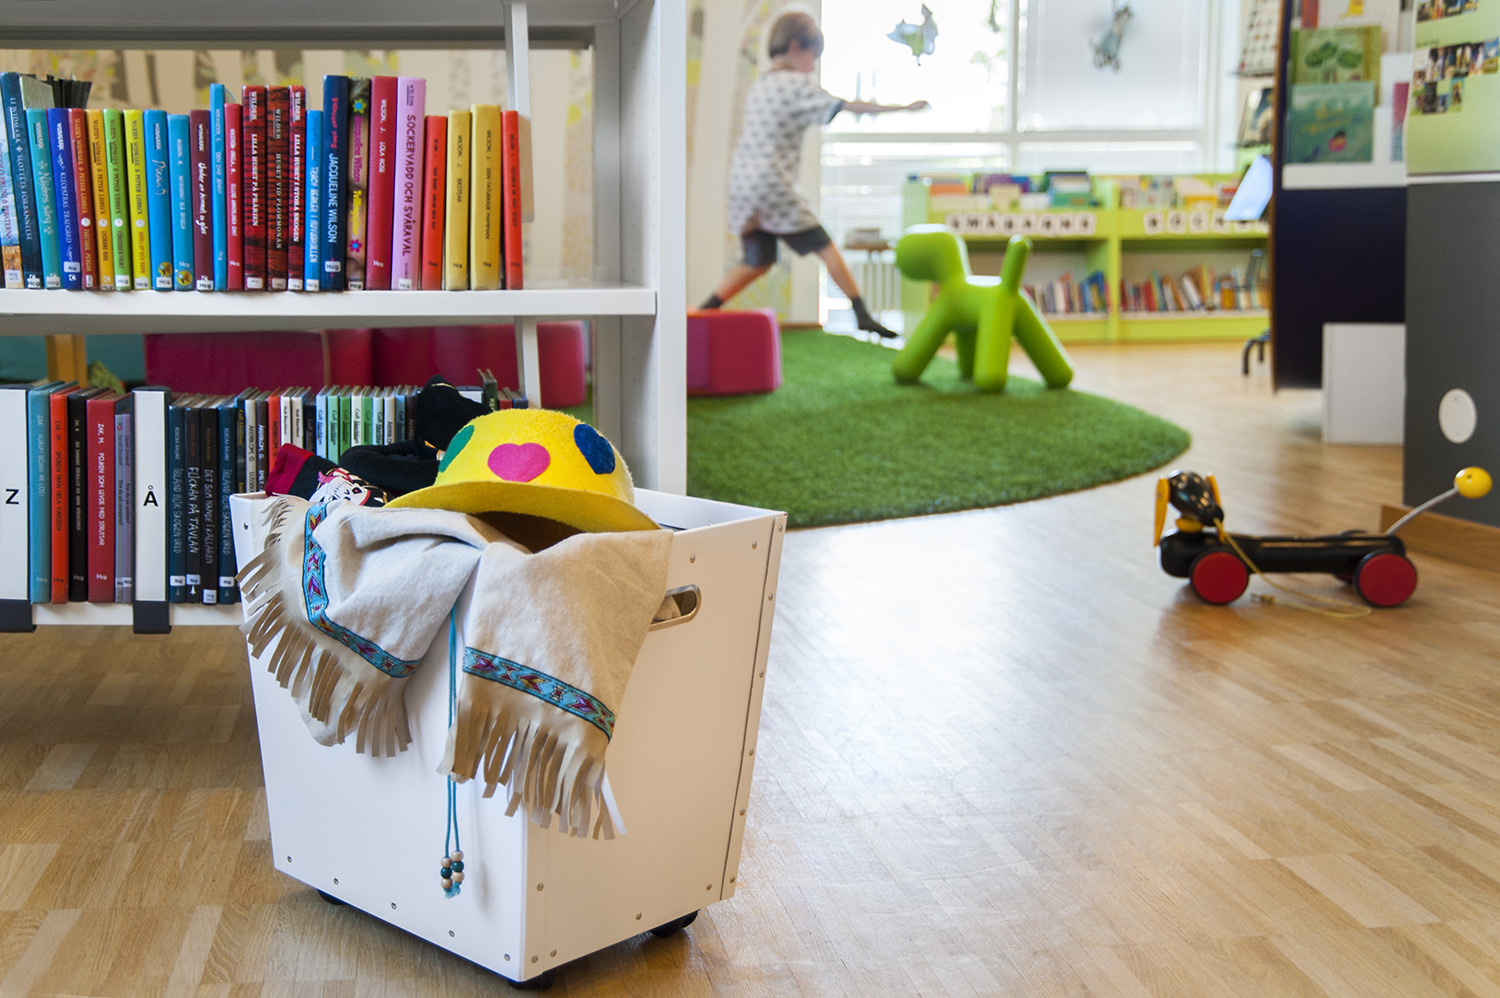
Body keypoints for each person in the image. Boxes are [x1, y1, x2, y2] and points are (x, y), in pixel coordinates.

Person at [698, 11, 928, 338]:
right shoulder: (796, 85)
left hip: (742, 186)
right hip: (772, 185)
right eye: (813, 57)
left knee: (758, 260)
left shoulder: (762, 84)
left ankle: (703, 311)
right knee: (825, 246)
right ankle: (862, 313)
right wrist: (903, 108)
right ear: (796, 47)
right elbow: (847, 106)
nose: (813, 66)